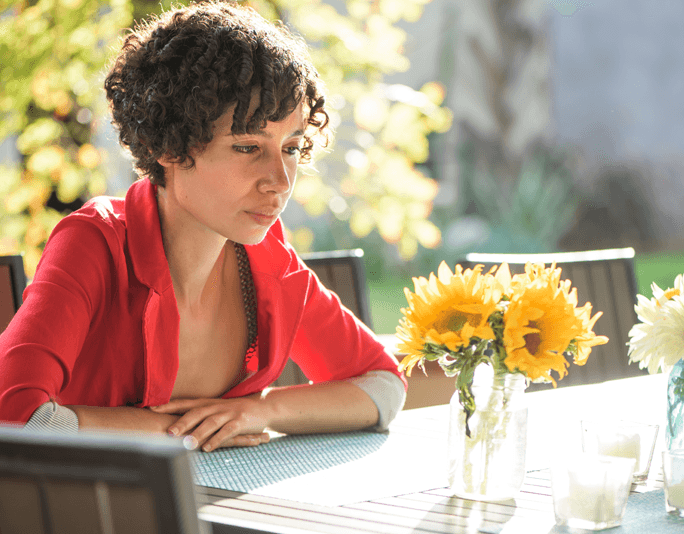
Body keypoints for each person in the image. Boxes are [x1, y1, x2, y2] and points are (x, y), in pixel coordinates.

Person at [0, 0, 406, 452]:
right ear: (170, 148)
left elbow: (383, 386)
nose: (280, 181)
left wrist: (259, 411)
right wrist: (185, 434)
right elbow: (17, 421)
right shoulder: (94, 242)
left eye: (290, 147)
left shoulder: (267, 257)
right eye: (248, 147)